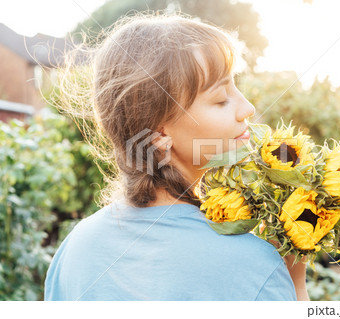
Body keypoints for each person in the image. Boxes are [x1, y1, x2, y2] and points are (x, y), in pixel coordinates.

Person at [44, 12, 309, 301]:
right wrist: (294, 280)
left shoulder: (73, 250)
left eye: (237, 88)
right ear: (158, 137)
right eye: (221, 99)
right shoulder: (254, 265)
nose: (247, 108)